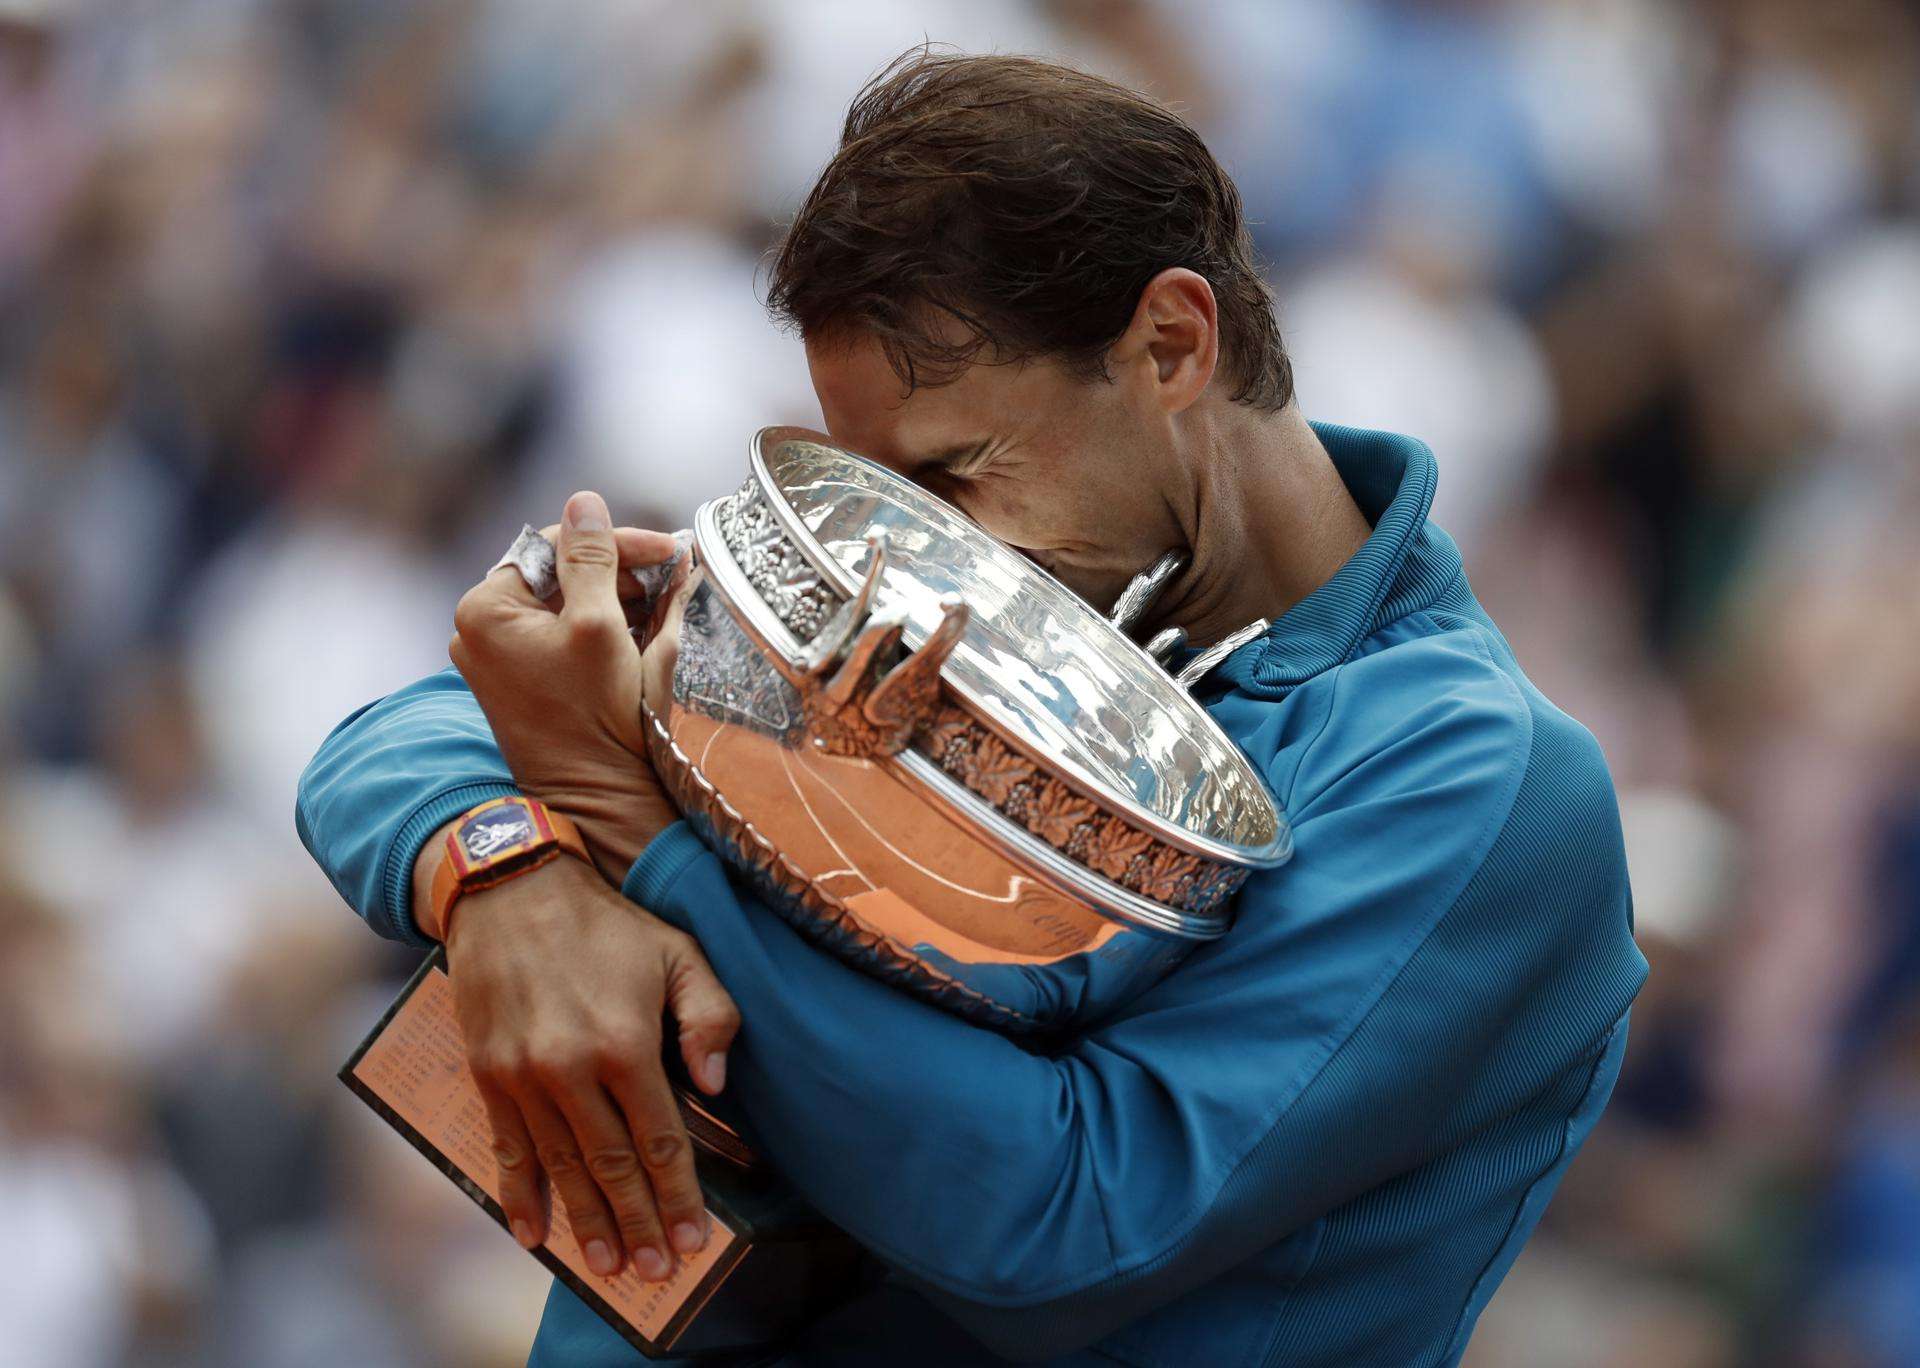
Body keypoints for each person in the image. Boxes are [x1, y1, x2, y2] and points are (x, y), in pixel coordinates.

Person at [295, 51, 1648, 1367]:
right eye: (881, 491)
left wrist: (635, 844)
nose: (911, 557)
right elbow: (399, 742)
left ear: (1171, 346)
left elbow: (1062, 1223)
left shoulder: (1481, 782)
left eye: (957, 474)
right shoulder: (968, 574)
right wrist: (509, 875)